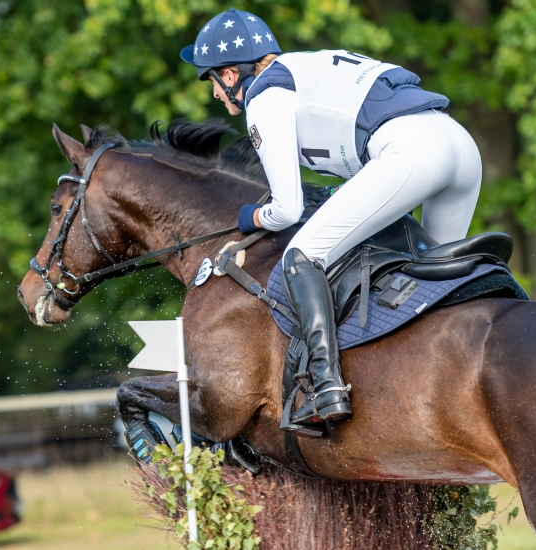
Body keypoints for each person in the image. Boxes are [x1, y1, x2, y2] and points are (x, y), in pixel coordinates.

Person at [181, 9, 482, 433]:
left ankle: (325, 388)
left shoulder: (265, 97)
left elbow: (285, 210)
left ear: (231, 75)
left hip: (411, 151)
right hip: (459, 146)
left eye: (211, 80)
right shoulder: (307, 67)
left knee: (302, 255)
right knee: (433, 288)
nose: (214, 94)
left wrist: (249, 216)